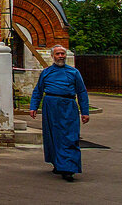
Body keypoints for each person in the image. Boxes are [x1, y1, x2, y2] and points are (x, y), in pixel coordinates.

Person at [29, 45, 91, 182]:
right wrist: (33, 107)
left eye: (63, 53)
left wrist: (85, 112)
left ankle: (69, 168)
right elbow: (38, 91)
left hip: (68, 106)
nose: (61, 56)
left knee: (69, 136)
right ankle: (58, 163)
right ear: (53, 56)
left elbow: (81, 92)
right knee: (53, 136)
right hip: (50, 106)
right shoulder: (46, 72)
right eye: (58, 54)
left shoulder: (74, 73)